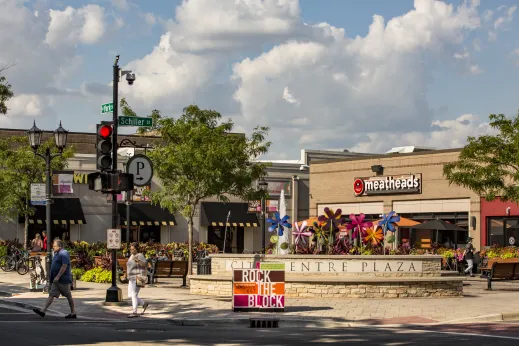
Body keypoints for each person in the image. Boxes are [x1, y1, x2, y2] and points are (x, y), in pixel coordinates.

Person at [33, 239, 76, 318]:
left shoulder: (64, 253)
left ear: (59, 246)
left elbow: (64, 266)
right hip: (56, 280)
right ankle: (43, 311)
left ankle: (73, 313)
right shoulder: (57, 253)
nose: (53, 248)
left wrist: (58, 276)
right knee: (51, 295)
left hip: (63, 280)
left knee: (68, 295)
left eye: (54, 246)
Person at [127, 243, 149, 318]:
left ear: (136, 249)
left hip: (138, 277)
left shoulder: (140, 255)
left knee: (134, 294)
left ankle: (134, 312)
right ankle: (143, 304)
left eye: (133, 249)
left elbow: (145, 264)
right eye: (131, 249)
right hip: (131, 278)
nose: (131, 250)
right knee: (130, 295)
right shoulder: (131, 256)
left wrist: (138, 261)